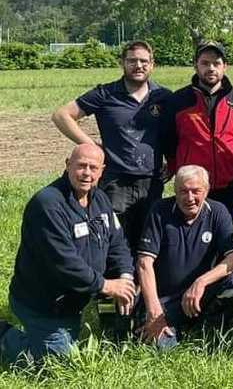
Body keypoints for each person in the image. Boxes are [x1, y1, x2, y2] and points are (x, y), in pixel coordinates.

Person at [0, 145, 135, 362]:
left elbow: (117, 243)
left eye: (93, 168)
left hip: (80, 294)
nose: (87, 173)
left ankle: (109, 328)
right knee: (56, 362)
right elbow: (64, 263)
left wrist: (125, 278)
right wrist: (108, 286)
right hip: (44, 302)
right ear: (67, 164)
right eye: (81, 166)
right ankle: (5, 336)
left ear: (102, 171)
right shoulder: (48, 204)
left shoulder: (99, 199)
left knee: (124, 296)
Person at [51, 40, 172, 250]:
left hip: (151, 181)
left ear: (153, 65)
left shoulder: (163, 97)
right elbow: (62, 115)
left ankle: (141, 283)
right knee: (113, 240)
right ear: (122, 63)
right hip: (115, 181)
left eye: (144, 61)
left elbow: (175, 132)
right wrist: (91, 146)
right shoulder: (105, 94)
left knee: (146, 242)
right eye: (132, 60)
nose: (138, 65)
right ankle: (113, 281)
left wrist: (174, 161)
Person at [135, 165, 233, 349]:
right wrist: (154, 310)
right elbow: (144, 263)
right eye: (183, 191)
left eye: (196, 191)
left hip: (200, 296)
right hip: (165, 300)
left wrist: (200, 282)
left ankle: (209, 327)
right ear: (175, 190)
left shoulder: (218, 211)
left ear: (207, 190)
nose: (190, 198)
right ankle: (172, 325)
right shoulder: (160, 211)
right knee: (160, 349)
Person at [161, 42, 233, 222]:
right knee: (188, 234)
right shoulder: (178, 100)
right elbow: (169, 141)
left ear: (225, 66)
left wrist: (232, 165)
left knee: (224, 235)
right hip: (191, 187)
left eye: (216, 63)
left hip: (228, 184)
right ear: (196, 65)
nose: (211, 68)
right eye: (205, 63)